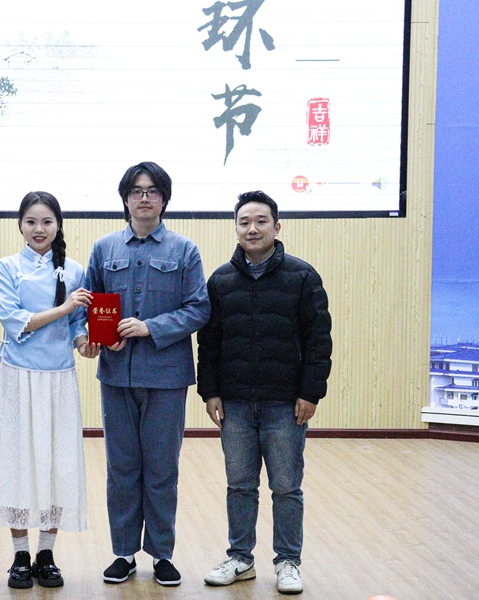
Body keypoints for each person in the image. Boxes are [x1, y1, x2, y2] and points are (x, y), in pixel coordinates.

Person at [196, 190, 332, 595]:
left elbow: (319, 341)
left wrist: (311, 393)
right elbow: (209, 343)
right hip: (234, 403)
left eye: (260, 221)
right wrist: (210, 392)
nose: (252, 229)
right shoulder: (220, 280)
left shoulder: (302, 277)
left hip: (285, 404)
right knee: (240, 485)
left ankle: (288, 562)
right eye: (244, 222)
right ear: (236, 228)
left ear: (277, 226)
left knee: (286, 486)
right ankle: (240, 558)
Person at [85, 161, 211, 587]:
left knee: (161, 468)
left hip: (166, 377)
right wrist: (102, 338)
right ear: (125, 198)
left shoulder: (184, 250)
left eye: (152, 191)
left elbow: (199, 308)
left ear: (163, 199)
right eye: (136, 191)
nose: (144, 198)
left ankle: (161, 554)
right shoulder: (104, 249)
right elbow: (92, 306)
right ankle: (123, 552)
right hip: (116, 375)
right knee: (121, 467)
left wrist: (149, 328)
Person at [0, 191, 98, 589]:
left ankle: (46, 554)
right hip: (17, 376)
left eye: (47, 221)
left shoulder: (75, 270)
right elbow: (15, 319)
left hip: (59, 377)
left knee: (57, 462)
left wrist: (85, 342)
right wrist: (66, 309)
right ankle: (20, 555)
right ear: (20, 224)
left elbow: (78, 324)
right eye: (31, 221)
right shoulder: (7, 268)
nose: (39, 229)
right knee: (16, 462)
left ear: (58, 225)